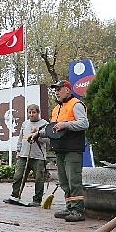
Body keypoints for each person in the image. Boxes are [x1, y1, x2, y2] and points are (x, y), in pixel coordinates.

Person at [31, 80, 88, 222]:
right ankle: (70, 207)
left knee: (73, 180)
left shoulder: (76, 104)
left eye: (59, 89)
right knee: (64, 181)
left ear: (67, 90)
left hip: (72, 150)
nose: (56, 91)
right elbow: (52, 129)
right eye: (55, 89)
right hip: (60, 150)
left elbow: (84, 123)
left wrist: (65, 125)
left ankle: (78, 210)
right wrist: (38, 134)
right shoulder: (56, 109)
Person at [4, 104, 49, 206]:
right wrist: (18, 150)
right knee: (18, 176)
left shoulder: (45, 124)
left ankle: (37, 200)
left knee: (39, 179)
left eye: (34, 112)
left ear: (38, 113)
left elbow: (48, 139)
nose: (31, 114)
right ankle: (15, 196)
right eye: (29, 112)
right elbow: (21, 138)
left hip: (38, 156)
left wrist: (37, 136)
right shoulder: (25, 124)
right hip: (24, 155)